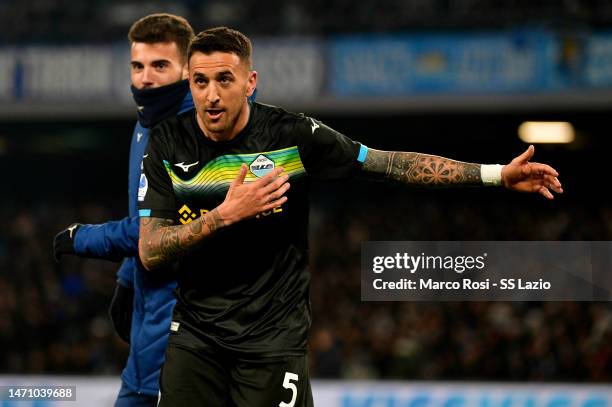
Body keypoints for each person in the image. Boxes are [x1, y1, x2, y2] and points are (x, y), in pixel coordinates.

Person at [137, 27, 563, 407]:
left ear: (250, 83)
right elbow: (150, 251)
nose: (211, 94)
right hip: (195, 339)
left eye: (224, 79)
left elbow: (389, 164)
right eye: (200, 81)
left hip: (271, 340)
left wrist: (494, 175)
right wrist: (224, 216)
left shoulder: (293, 135)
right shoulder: (169, 142)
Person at [53, 13, 195, 407]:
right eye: (138, 66)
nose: (146, 78)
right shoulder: (147, 122)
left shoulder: (195, 135)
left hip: (187, 347)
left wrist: (82, 237)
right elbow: (144, 207)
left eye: (160, 66)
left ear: (187, 67)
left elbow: (156, 229)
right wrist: (127, 278)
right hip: (148, 348)